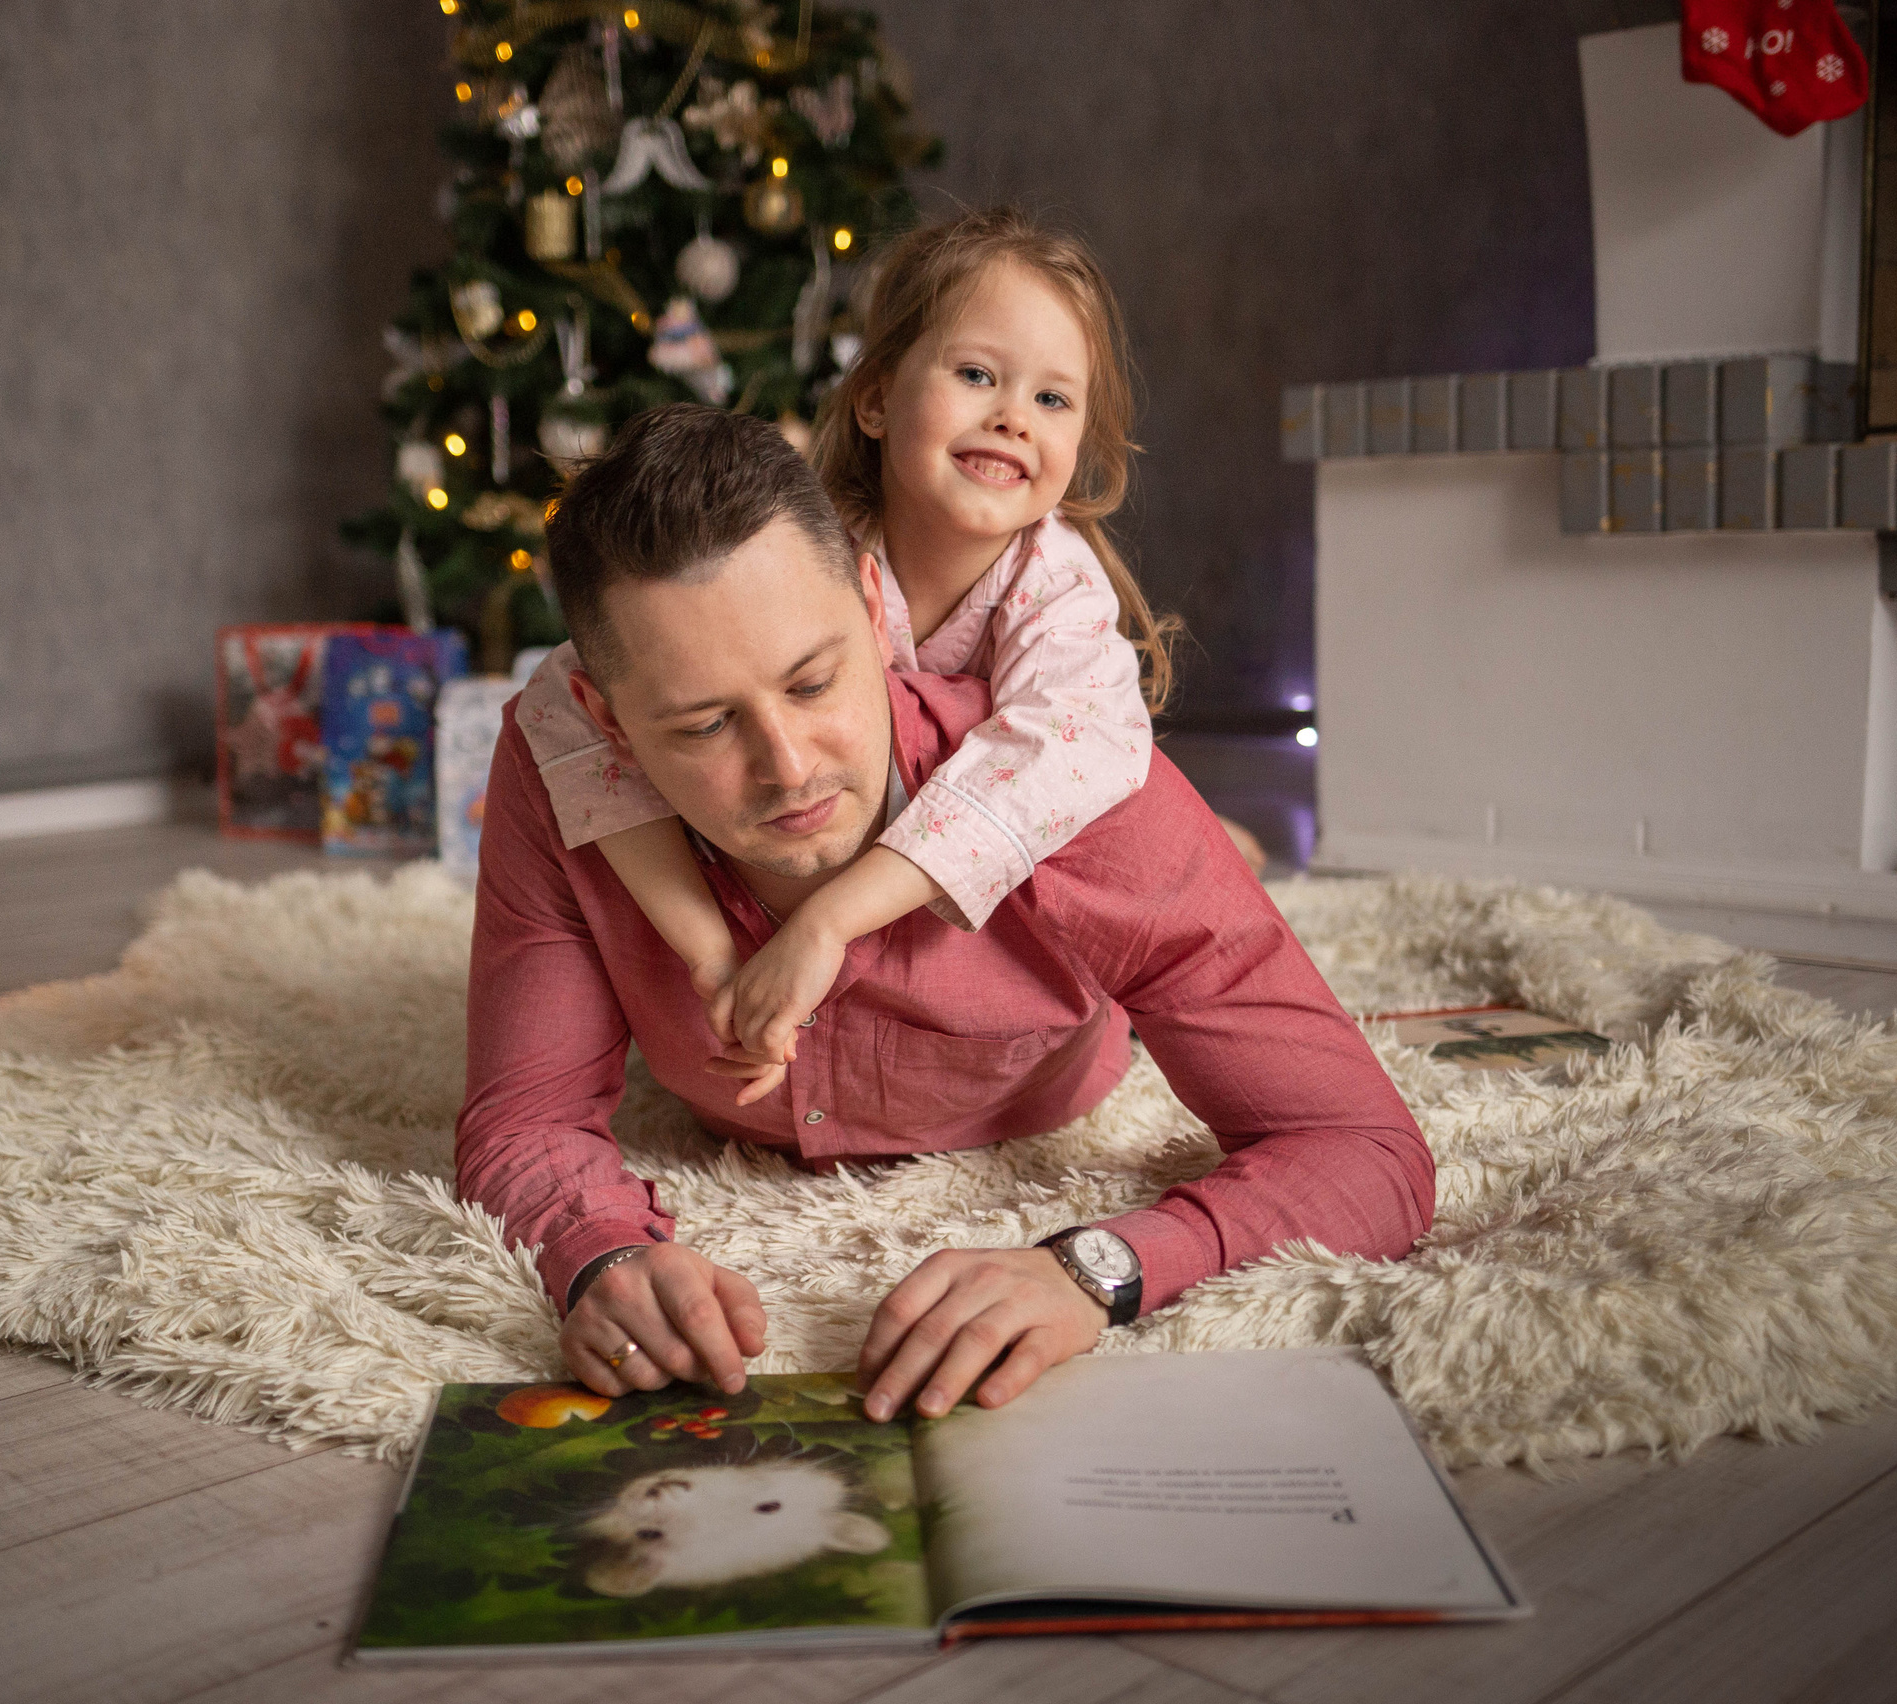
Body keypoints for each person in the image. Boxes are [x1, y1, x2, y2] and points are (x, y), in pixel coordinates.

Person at [458, 404, 1432, 1425]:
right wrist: (598, 1251)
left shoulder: (1071, 780)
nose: (788, 769)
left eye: (814, 682)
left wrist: (1097, 1269)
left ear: (875, 610)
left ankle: (1213, 855)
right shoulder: (560, 769)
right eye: (705, 724)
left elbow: (1365, 1151)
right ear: (608, 722)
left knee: (1181, 877)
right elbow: (522, 1119)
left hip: (1076, 1040)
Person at [514, 207, 1262, 1109]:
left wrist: (831, 919)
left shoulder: (1058, 591)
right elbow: (565, 694)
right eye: (978, 374)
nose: (1013, 419)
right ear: (875, 397)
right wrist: (711, 951)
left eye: (1053, 399)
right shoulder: (807, 547)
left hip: (1015, 964)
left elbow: (1070, 751)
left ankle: (1230, 863)